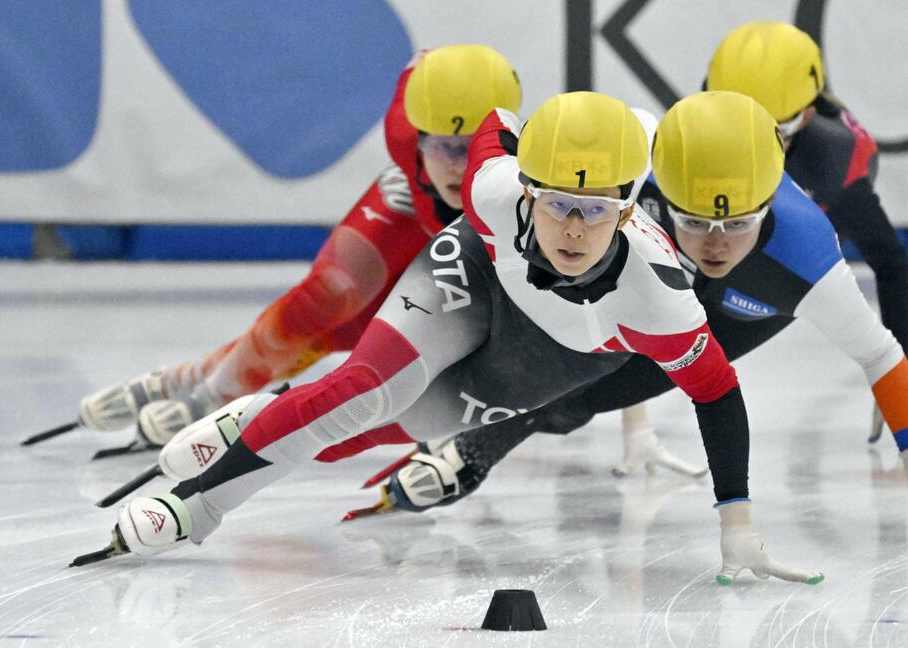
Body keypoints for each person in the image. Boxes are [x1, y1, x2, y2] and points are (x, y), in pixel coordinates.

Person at [78, 90, 822, 585]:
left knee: (373, 431)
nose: (571, 228)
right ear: (528, 189)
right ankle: (197, 507)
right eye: (558, 203)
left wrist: (738, 523)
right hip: (474, 274)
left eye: (595, 211)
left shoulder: (660, 300)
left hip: (551, 355)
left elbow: (719, 395)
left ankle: (252, 419)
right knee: (366, 388)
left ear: (631, 208)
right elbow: (497, 118)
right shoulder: (494, 189)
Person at [364, 90, 908, 534]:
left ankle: (467, 454)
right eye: (692, 221)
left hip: (743, 312)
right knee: (558, 359)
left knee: (578, 399)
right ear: (654, 192)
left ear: (769, 209)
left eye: (737, 224)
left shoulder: (809, 259)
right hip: (647, 280)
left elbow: (883, 355)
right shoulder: (631, 160)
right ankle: (440, 439)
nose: (713, 245)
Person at [72, 44, 523, 445]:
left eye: (473, 149)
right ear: (417, 137)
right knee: (328, 295)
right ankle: (206, 395)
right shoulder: (402, 130)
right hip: (407, 210)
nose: (459, 167)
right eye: (444, 147)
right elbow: (420, 69)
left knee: (352, 335)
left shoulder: (517, 180)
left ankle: (186, 378)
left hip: (465, 240)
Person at [705, 21, 908, 440]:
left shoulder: (837, 160)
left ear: (810, 114)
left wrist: (896, 377)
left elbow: (890, 263)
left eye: (775, 130)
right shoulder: (701, 129)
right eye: (744, 126)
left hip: (774, 280)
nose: (758, 144)